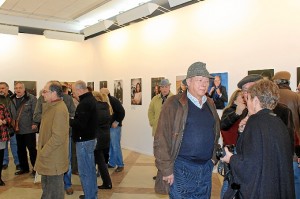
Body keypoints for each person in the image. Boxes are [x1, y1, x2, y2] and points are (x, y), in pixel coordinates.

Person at [154, 62, 220, 198]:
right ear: (188, 82)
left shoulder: (210, 103)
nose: (204, 84)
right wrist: (166, 169)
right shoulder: (173, 104)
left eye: (207, 81)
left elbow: (215, 132)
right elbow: (161, 138)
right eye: (200, 80)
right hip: (182, 168)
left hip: (206, 168)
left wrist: (213, 158)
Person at [221, 79, 295, 199]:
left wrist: (230, 159)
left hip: (261, 190)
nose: (246, 102)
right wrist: (241, 131)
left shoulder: (255, 122)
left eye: (248, 99)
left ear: (255, 101)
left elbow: (249, 167)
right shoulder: (278, 122)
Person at [33, 84, 76, 195]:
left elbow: (58, 137)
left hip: (53, 158)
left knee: (55, 192)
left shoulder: (59, 109)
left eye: (45, 91)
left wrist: (43, 151)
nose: (42, 94)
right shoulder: (51, 107)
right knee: (47, 189)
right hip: (49, 157)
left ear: (53, 93)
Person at [273, 71, 300, 199]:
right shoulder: (296, 97)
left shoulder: (271, 99)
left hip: (276, 146)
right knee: (295, 180)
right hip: (294, 145)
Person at [70, 80, 98, 199]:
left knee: (85, 171)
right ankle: (92, 194)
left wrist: (68, 120)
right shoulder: (91, 100)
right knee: (90, 169)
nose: (73, 94)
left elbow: (80, 124)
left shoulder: (84, 103)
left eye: (73, 91)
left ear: (79, 90)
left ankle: (89, 196)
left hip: (84, 141)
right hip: (90, 139)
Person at [10, 82, 38, 176]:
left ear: (24, 89)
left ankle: (36, 169)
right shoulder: (12, 99)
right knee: (20, 149)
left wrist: (35, 123)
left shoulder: (32, 98)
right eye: (16, 88)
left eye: (20, 88)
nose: (18, 90)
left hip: (29, 129)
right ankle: (24, 168)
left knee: (32, 149)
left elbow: (36, 112)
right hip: (17, 129)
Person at [148, 79, 173, 180]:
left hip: (170, 132)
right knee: (159, 153)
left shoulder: (174, 99)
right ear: (160, 88)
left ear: (169, 87)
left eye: (166, 86)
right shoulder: (155, 99)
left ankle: (170, 173)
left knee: (169, 153)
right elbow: (150, 111)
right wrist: (153, 122)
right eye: (162, 87)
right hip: (158, 131)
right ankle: (160, 173)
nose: (164, 89)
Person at [100, 88, 125, 173]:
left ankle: (120, 164)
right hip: (109, 127)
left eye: (102, 93)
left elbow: (122, 112)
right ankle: (112, 163)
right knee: (110, 146)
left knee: (115, 146)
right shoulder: (105, 101)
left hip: (115, 127)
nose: (100, 94)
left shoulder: (113, 100)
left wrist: (117, 122)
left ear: (106, 93)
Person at [92, 91, 112, 189]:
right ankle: (107, 182)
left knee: (99, 162)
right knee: (101, 161)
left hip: (97, 138)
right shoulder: (106, 106)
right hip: (105, 136)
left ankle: (107, 183)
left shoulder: (95, 108)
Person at [0, 82, 20, 171]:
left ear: (7, 89)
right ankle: (4, 162)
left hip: (12, 125)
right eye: (0, 88)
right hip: (2, 127)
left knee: (14, 144)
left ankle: (18, 163)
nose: (1, 90)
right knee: (3, 146)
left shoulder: (13, 98)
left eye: (3, 88)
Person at [0, 102, 12, 186]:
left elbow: (9, 119)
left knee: (0, 158)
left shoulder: (2, 106)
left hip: (1, 137)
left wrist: (4, 121)